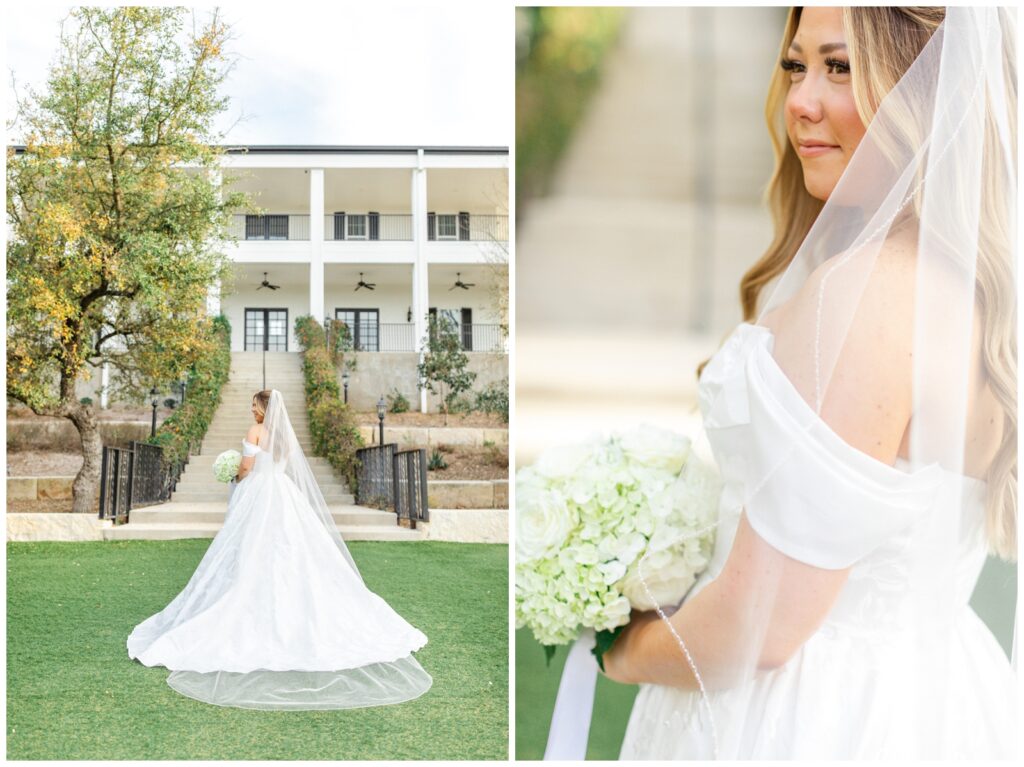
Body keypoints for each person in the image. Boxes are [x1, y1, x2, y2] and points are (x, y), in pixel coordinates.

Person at [601, 6, 1016, 759]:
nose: (800, 101)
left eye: (842, 68)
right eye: (796, 65)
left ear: (924, 91)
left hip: (812, 718)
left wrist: (619, 645)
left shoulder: (867, 296)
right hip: (940, 693)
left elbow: (762, 624)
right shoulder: (977, 292)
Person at [127, 388, 431, 710]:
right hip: (283, 494)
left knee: (251, 548)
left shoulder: (256, 431)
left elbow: (246, 468)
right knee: (291, 550)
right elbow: (281, 467)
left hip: (259, 493)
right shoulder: (285, 436)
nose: (251, 410)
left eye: (253, 405)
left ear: (262, 408)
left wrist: (234, 474)